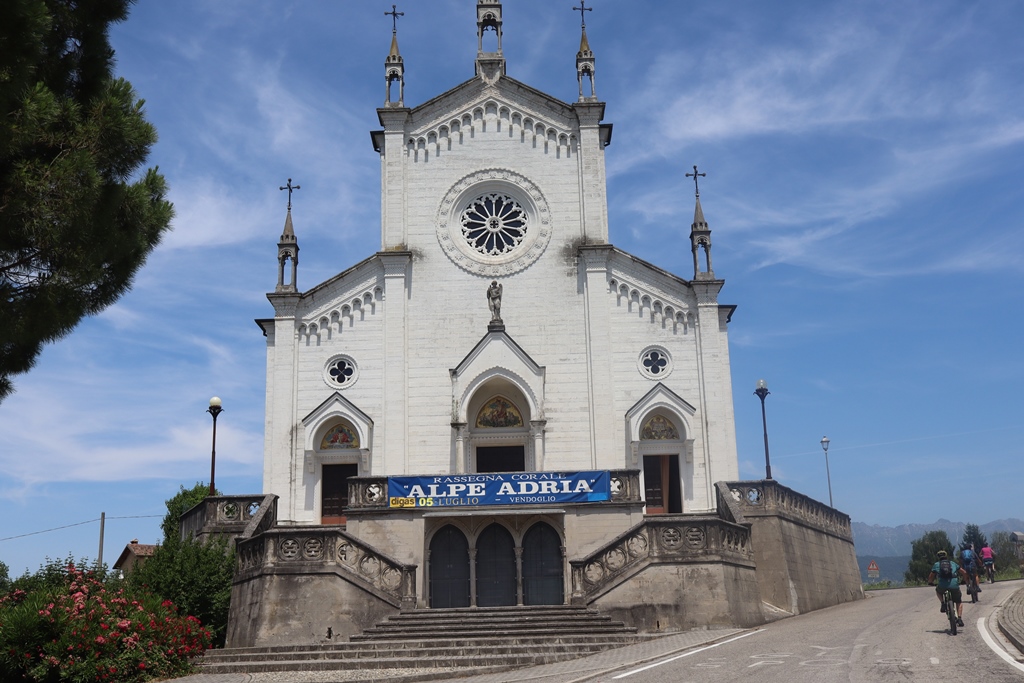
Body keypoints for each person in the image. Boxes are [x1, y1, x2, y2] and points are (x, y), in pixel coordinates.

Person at [928, 549, 968, 627]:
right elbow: (964, 572)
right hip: (954, 585)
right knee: (958, 601)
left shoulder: (937, 564)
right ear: (946, 556)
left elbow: (931, 576)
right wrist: (964, 580)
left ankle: (943, 603)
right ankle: (959, 618)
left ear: (939, 557)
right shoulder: (952, 563)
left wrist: (930, 582)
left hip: (942, 586)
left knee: (938, 591)